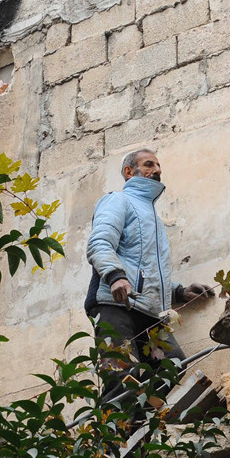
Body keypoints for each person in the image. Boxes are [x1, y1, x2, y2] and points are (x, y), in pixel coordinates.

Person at [84, 148, 214, 401]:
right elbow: (99, 242)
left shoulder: (152, 217)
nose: (157, 170)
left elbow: (146, 269)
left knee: (172, 364)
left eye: (158, 165)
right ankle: (116, 427)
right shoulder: (117, 201)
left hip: (149, 312)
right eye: (148, 164)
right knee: (121, 374)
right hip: (114, 305)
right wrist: (115, 276)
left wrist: (179, 292)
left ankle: (139, 419)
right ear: (129, 171)